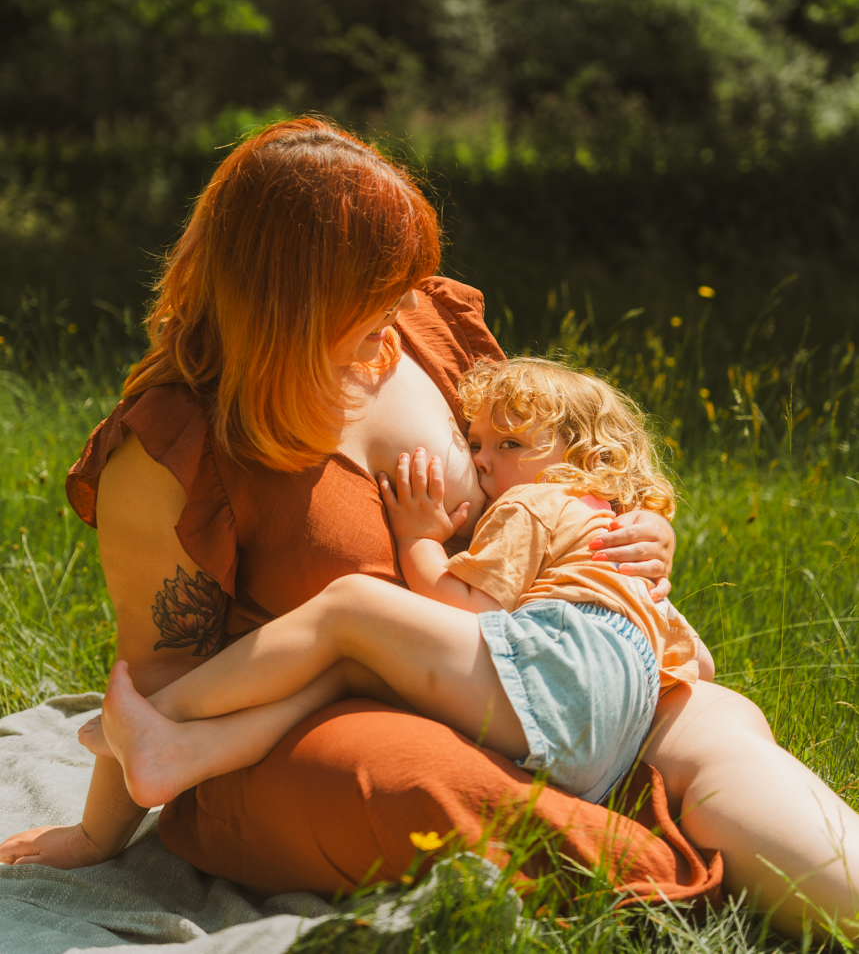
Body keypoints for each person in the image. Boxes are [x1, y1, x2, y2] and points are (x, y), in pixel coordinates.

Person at [0, 118, 855, 939]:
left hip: (505, 660)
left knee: (710, 727)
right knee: (410, 779)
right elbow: (155, 694)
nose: (394, 311)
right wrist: (97, 835)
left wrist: (632, 529)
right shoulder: (172, 445)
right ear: (285, 299)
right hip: (290, 735)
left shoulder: (422, 326)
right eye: (367, 294)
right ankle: (659, 872)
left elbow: (542, 467)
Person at [77, 357, 715, 812]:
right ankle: (182, 753)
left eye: (510, 443)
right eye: (476, 442)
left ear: (584, 460)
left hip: (563, 689)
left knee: (350, 608)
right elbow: (700, 665)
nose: (484, 460)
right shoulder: (613, 543)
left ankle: (154, 717)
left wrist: (419, 539)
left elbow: (464, 608)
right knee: (344, 673)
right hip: (607, 745)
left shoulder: (537, 505)